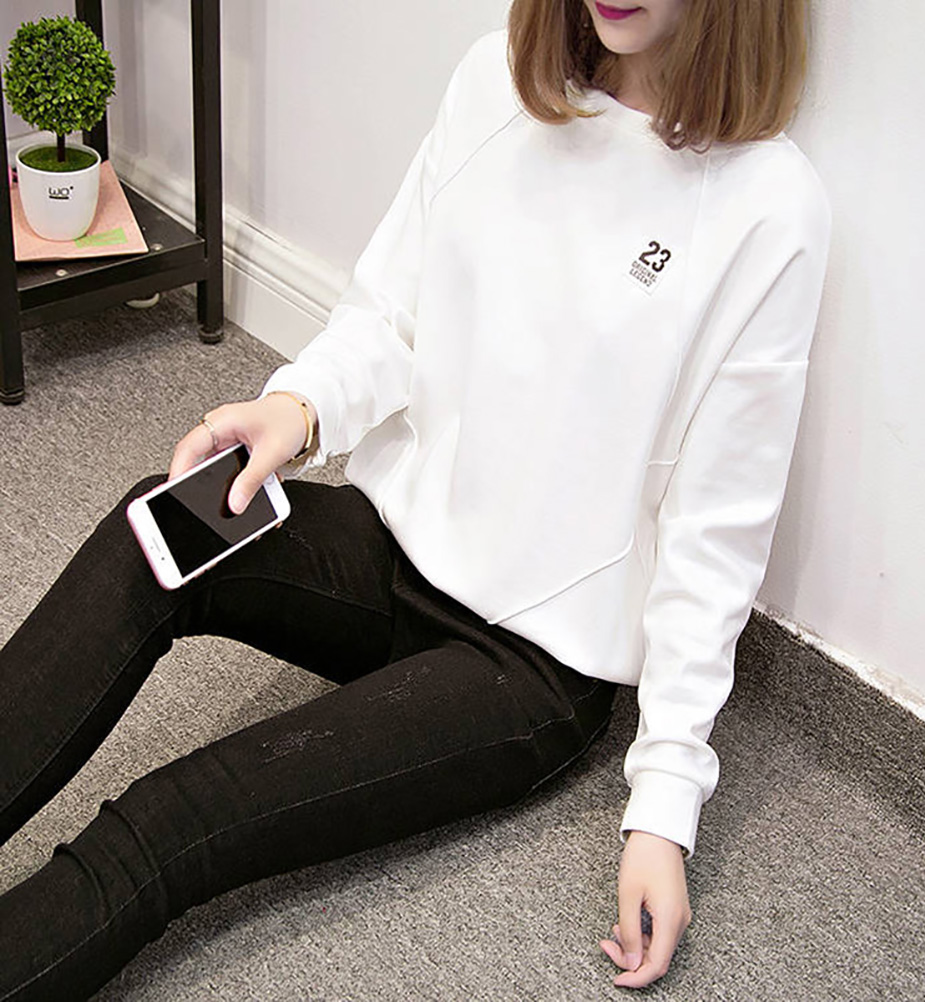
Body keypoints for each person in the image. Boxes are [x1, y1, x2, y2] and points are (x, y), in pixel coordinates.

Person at [0, 1, 830, 997]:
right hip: (393, 546)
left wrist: (665, 806)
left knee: (174, 819)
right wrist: (297, 406)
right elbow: (391, 315)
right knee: (160, 528)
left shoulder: (769, 208)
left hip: (527, 665)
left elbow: (716, 532)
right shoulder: (496, 83)